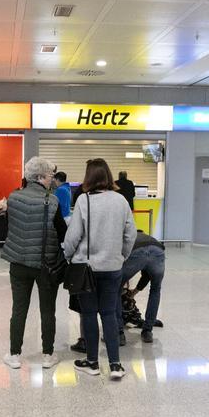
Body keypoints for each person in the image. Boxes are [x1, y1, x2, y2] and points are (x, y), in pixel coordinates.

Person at [64, 158, 135, 380]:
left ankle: (92, 362)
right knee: (110, 314)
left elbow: (73, 235)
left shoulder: (84, 200)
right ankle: (115, 365)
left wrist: (67, 255)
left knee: (88, 314)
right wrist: (121, 256)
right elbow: (130, 234)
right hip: (113, 268)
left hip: (87, 269)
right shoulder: (121, 200)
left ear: (89, 177)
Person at [0, 157, 67, 370]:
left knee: (19, 309)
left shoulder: (13, 197)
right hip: (45, 264)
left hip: (18, 262)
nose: (51, 180)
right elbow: (62, 233)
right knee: (48, 310)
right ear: (39, 177)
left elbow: (11, 227)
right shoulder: (52, 200)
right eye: (49, 176)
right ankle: (48, 355)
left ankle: (14, 355)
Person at [121, 230, 165, 343]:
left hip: (136, 251)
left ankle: (118, 333)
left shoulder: (127, 238)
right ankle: (147, 331)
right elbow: (147, 275)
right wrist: (134, 292)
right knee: (155, 289)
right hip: (158, 251)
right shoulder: (148, 237)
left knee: (115, 289)